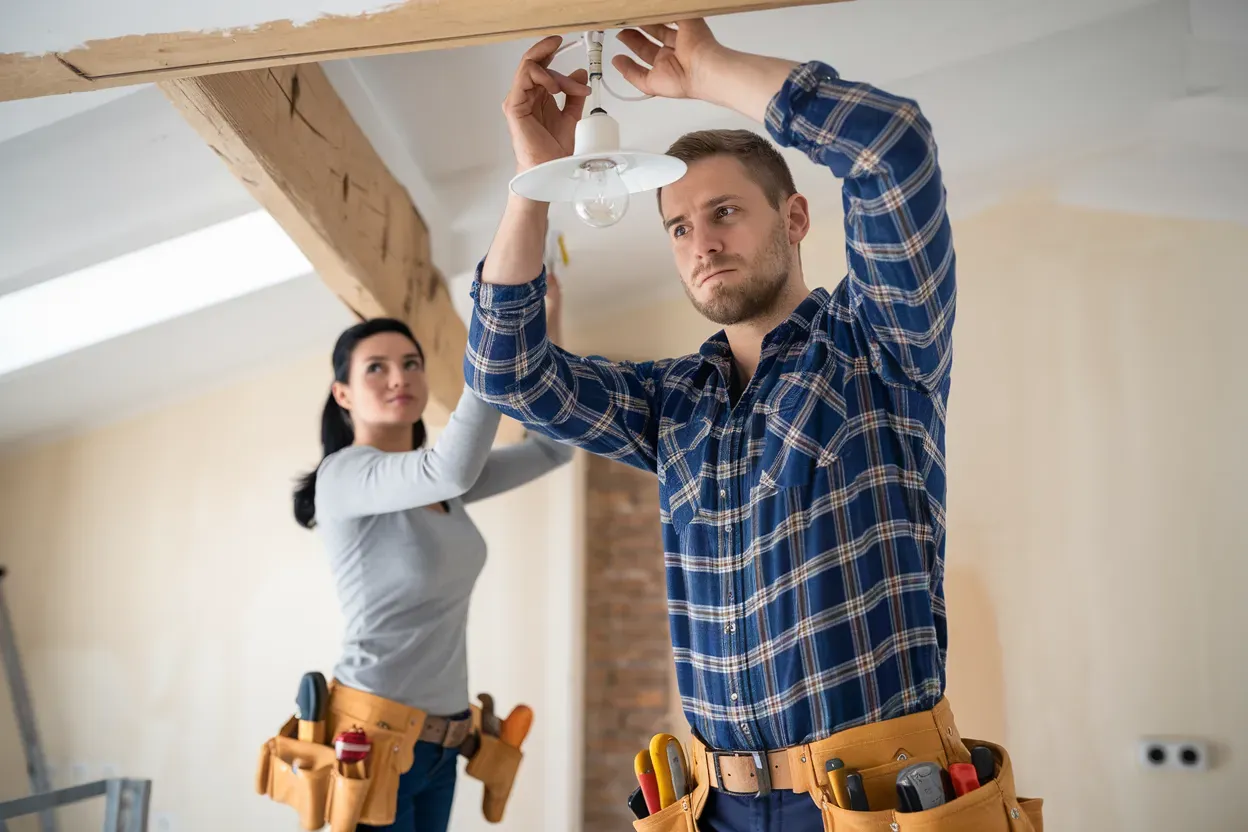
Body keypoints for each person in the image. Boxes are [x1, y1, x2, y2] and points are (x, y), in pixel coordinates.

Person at [466, 18, 1039, 832]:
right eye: (678, 227)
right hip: (715, 806)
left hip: (877, 800)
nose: (702, 243)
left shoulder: (877, 345)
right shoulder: (674, 403)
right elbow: (505, 370)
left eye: (725, 211)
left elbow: (891, 148)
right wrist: (538, 178)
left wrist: (710, 67)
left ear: (795, 218)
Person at [291, 295, 573, 832]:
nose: (400, 376)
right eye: (377, 367)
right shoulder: (345, 476)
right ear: (342, 394)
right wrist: (498, 337)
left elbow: (552, 450)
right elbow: (450, 468)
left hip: (443, 742)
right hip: (371, 741)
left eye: (411, 363)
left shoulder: (442, 485)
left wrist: (543, 324)